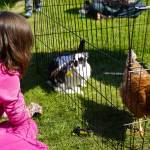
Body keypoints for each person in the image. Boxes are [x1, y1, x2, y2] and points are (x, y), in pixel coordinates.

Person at [0, 11, 48, 150]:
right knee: (28, 126)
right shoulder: (7, 74)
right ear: (17, 48)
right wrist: (28, 112)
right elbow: (18, 117)